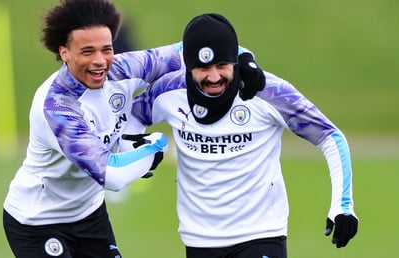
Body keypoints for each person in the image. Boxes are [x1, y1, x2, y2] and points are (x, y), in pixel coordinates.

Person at [131, 13, 358, 258]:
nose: (214, 77)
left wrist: (343, 206)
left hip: (261, 235)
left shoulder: (269, 92)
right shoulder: (168, 90)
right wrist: (138, 150)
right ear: (187, 65)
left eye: (222, 65)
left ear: (235, 62)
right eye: (203, 67)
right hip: (198, 239)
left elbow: (329, 136)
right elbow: (131, 117)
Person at [2, 0, 183, 257]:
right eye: (87, 51)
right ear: (64, 52)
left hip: (89, 215)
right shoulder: (58, 107)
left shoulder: (123, 69)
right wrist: (156, 147)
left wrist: (243, 62)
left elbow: (192, 50)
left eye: (106, 49)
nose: (100, 61)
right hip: (36, 221)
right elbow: (114, 175)